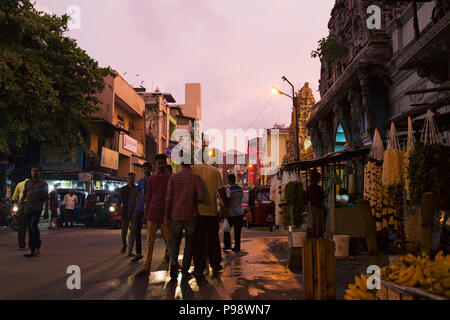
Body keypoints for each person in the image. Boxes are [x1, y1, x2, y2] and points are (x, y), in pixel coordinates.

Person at [165, 160, 204, 280]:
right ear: (190, 165)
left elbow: (169, 197)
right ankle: (185, 270)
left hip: (175, 215)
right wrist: (192, 199)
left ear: (180, 164)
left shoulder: (173, 177)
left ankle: (173, 264)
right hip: (191, 216)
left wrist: (167, 215)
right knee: (189, 244)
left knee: (175, 242)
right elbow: (201, 196)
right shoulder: (195, 178)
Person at [135, 155, 172, 276]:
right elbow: (149, 198)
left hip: (165, 215)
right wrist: (145, 215)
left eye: (163, 163)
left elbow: (171, 197)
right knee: (150, 242)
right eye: (159, 163)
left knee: (170, 240)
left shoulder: (170, 178)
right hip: (152, 214)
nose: (161, 165)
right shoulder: (151, 180)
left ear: (165, 164)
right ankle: (146, 267)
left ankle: (174, 263)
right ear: (156, 165)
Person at [192, 157, 229, 278]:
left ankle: (199, 267)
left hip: (197, 212)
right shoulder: (214, 171)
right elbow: (221, 190)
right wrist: (226, 206)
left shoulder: (193, 170)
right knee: (213, 239)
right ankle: (215, 264)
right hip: (212, 211)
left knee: (198, 241)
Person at [21, 167, 49, 257]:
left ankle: (37, 247)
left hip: (37, 208)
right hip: (27, 208)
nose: (34, 172)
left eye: (36, 171)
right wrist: (19, 202)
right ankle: (32, 249)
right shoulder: (27, 183)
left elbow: (46, 198)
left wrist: (46, 211)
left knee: (33, 226)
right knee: (29, 229)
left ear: (40, 173)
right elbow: (24, 194)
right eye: (33, 171)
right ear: (31, 172)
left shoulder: (43, 183)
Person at [130, 162, 153, 262]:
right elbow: (138, 195)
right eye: (145, 168)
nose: (146, 170)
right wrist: (135, 209)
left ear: (151, 169)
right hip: (140, 209)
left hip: (151, 209)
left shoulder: (153, 180)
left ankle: (152, 255)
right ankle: (138, 253)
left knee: (151, 234)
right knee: (136, 231)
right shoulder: (140, 182)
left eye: (148, 168)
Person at [117, 172, 138, 255]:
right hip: (125, 212)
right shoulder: (123, 189)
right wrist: (117, 209)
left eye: (132, 178)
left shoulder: (137, 189)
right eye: (129, 178)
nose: (131, 180)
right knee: (124, 232)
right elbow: (119, 200)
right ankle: (124, 245)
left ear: (134, 179)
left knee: (133, 232)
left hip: (134, 213)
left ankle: (130, 250)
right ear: (127, 179)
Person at [223, 174, 244, 252]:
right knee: (237, 231)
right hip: (239, 212)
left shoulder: (229, 189)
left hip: (231, 213)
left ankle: (228, 245)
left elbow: (228, 200)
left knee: (226, 229)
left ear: (229, 180)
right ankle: (237, 247)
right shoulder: (240, 189)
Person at [11, 178, 30, 250]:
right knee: (32, 226)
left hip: (21, 205)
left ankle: (21, 246)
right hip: (30, 205)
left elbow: (14, 197)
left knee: (21, 227)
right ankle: (32, 245)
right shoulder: (33, 184)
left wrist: (11, 207)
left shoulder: (19, 184)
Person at [308, 171, 325, 238]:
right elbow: (322, 196)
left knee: (314, 222)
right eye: (319, 178)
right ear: (317, 179)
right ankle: (317, 236)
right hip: (317, 206)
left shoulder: (310, 187)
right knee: (318, 222)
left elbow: (307, 197)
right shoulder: (317, 187)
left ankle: (314, 236)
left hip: (312, 206)